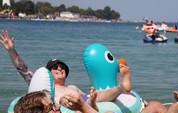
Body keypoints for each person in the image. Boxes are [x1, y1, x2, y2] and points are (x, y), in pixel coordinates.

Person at [0, 30, 132, 104]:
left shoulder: (72, 88)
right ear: (48, 73)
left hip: (83, 105)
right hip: (62, 109)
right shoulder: (43, 87)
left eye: (62, 67)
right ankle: (120, 87)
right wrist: (11, 50)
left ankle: (121, 87)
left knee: (97, 96)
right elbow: (23, 70)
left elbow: (90, 99)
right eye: (55, 67)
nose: (59, 68)